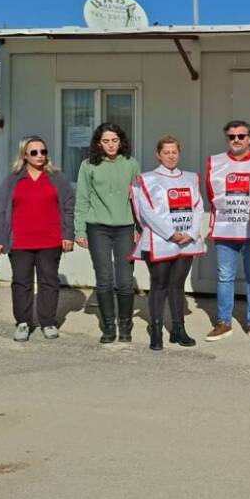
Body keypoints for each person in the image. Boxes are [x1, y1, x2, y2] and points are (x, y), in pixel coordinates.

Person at [0, 136, 76, 342]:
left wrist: (68, 235)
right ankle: (23, 322)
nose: (40, 156)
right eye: (34, 152)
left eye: (43, 152)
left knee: (49, 282)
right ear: (25, 155)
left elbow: (68, 208)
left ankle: (48, 322)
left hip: (50, 240)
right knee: (21, 282)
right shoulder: (12, 179)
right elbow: (0, 209)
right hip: (20, 242)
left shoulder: (58, 178)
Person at [131, 136, 206, 351]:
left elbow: (198, 207)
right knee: (159, 285)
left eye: (174, 152)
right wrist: (171, 234)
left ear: (179, 153)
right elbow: (146, 211)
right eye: (166, 152)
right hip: (160, 241)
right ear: (158, 154)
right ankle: (156, 331)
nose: (171, 156)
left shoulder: (191, 178)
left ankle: (178, 329)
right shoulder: (147, 178)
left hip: (186, 242)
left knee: (177, 285)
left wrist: (191, 233)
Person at [203, 120, 250, 343]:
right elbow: (210, 194)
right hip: (225, 230)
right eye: (231, 136)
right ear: (227, 138)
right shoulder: (215, 162)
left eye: (241, 136)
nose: (236, 140)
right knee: (225, 277)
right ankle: (223, 322)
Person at [75, 122, 141, 344]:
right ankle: (109, 326)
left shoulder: (131, 164)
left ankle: (125, 325)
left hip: (124, 227)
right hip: (98, 227)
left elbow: (138, 200)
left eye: (114, 140)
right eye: (105, 141)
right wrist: (79, 230)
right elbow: (82, 199)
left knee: (124, 280)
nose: (110, 145)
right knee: (104, 279)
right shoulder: (88, 165)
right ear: (98, 143)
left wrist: (139, 228)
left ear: (121, 141)